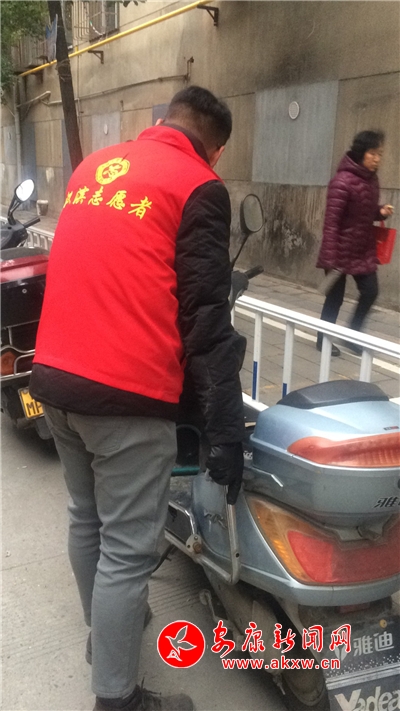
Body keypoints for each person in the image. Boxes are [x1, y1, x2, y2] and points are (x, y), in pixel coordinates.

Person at [29, 86, 246, 711]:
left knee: (86, 516)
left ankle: (106, 636)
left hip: (55, 376)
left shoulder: (94, 168)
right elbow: (206, 320)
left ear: (162, 122)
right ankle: (117, 698)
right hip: (126, 393)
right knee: (128, 550)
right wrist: (225, 431)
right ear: (216, 148)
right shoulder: (199, 184)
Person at [316, 130, 394, 356]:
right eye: (373, 153)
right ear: (361, 152)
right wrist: (330, 258)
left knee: (370, 292)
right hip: (339, 250)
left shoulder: (372, 180)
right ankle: (323, 340)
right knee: (335, 299)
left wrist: (379, 212)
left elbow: (365, 212)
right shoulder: (341, 182)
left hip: (362, 249)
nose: (377, 159)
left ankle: (352, 334)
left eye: (380, 154)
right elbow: (331, 222)